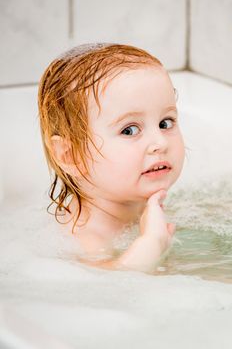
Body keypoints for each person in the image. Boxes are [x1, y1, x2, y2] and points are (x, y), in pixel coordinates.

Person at [38, 43, 185, 273]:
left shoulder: (147, 204)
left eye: (165, 123)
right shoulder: (85, 242)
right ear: (71, 155)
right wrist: (150, 244)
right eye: (129, 130)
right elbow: (110, 291)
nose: (160, 143)